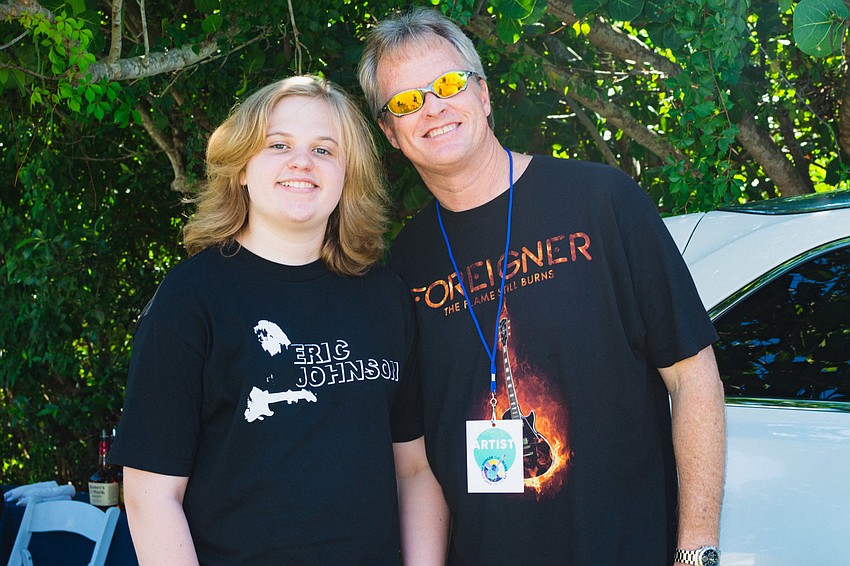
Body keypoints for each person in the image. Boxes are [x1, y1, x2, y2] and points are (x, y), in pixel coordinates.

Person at [358, 8, 726, 566]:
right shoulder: (406, 264)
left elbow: (694, 376)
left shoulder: (602, 201)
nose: (432, 107)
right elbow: (419, 460)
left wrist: (697, 551)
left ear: (482, 94)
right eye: (405, 101)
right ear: (390, 131)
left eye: (448, 84)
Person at [109, 75, 447, 565]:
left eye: (324, 150)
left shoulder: (384, 297)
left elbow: (413, 471)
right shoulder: (191, 299)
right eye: (279, 144)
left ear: (347, 175)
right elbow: (150, 494)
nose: (301, 162)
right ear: (242, 168)